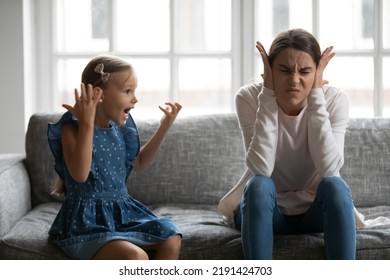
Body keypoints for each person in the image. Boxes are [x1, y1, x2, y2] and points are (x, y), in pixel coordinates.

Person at [218, 28, 356, 259]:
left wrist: (316, 97)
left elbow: (330, 169)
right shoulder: (249, 98)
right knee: (259, 185)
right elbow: (261, 168)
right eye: (283, 70)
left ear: (318, 74)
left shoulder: (335, 99)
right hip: (267, 212)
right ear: (270, 70)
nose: (294, 80)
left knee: (336, 186)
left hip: (317, 213)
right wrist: (268, 96)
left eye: (305, 71)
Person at [47, 55, 182, 260]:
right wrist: (87, 123)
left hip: (122, 214)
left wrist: (164, 126)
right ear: (99, 94)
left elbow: (140, 163)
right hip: (87, 223)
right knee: (136, 257)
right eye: (127, 91)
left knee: (172, 239)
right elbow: (80, 175)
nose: (135, 99)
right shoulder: (71, 128)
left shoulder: (121, 128)